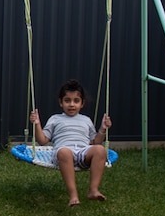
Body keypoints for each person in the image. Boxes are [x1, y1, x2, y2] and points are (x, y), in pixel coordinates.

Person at [29, 79, 113, 207]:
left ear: (82, 103)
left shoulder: (86, 120)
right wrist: (37, 124)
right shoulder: (55, 119)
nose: (72, 104)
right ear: (61, 102)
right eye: (67, 100)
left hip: (83, 152)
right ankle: (73, 195)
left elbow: (95, 141)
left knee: (100, 150)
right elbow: (42, 140)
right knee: (64, 152)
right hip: (64, 152)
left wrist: (102, 129)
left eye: (76, 101)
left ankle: (93, 190)